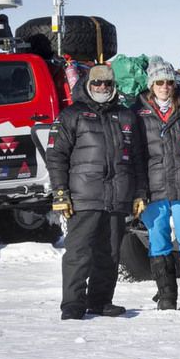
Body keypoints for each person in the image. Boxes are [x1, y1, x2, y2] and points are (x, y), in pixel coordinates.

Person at [48, 64, 149, 320]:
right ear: (88, 85)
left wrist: (140, 193)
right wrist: (60, 193)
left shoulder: (126, 116)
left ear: (113, 86)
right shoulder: (72, 114)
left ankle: (100, 300)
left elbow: (138, 158)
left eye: (106, 84)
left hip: (117, 197)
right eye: (97, 84)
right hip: (83, 197)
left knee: (110, 253)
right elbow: (57, 156)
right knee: (79, 252)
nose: (102, 88)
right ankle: (72, 304)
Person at [133, 57, 180, 313]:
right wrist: (139, 191)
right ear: (151, 85)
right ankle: (166, 297)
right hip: (154, 188)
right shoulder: (138, 111)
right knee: (159, 240)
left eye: (168, 82)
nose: (164, 86)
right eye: (159, 82)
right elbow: (136, 156)